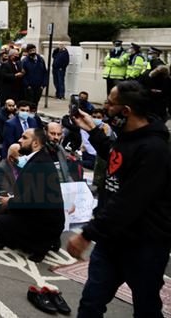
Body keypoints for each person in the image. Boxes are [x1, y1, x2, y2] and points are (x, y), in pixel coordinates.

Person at [66, 81, 171, 318]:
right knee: (91, 304)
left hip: (144, 245)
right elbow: (116, 157)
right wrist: (92, 130)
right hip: (112, 242)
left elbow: (128, 202)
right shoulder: (127, 136)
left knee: (146, 308)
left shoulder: (154, 149)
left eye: (109, 104)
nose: (104, 109)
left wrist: (87, 234)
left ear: (126, 111)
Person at [0, 128, 64, 262]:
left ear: (35, 143)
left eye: (24, 138)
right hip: (45, 220)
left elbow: (32, 201)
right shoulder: (40, 158)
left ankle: (39, 244)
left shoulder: (38, 163)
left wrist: (9, 202)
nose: (20, 140)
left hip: (41, 225)